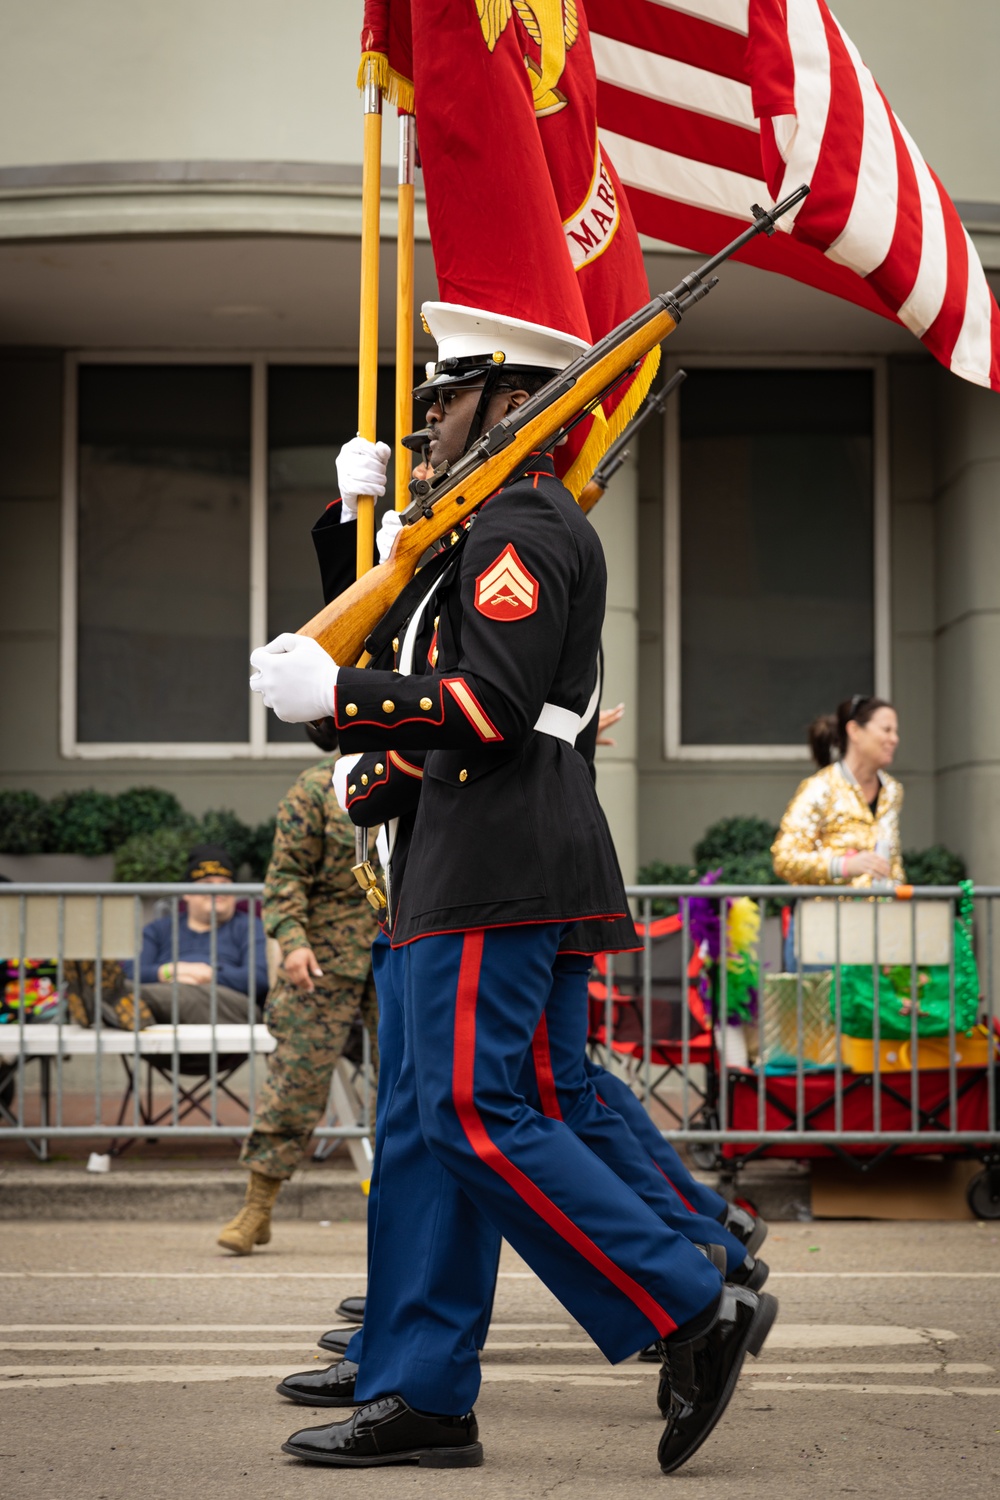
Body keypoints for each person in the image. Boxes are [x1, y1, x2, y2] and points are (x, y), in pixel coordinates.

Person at [250, 303, 776, 1475]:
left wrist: (338, 700)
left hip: (495, 862)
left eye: (446, 400)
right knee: (441, 1132)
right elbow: (402, 628)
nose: (428, 421)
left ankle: (689, 1295)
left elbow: (480, 708)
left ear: (510, 403)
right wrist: (350, 540)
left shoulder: (524, 528)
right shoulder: (483, 531)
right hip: (461, 861)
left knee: (483, 1118)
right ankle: (423, 1390)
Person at [217, 722, 379, 1256]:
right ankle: (257, 1207)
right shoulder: (314, 789)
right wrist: (292, 942)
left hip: (397, 952)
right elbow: (285, 879)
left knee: (406, 1088)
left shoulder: (417, 776)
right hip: (323, 960)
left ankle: (402, 1217)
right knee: (295, 1083)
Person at [64, 844, 268, 1029]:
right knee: (143, 988)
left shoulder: (250, 927)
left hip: (229, 1009)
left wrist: (209, 974)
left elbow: (259, 979)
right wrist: (170, 971)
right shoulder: (159, 929)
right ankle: (111, 1002)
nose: (217, 890)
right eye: (207, 882)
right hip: (165, 1014)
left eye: (225, 883)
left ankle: (99, 999)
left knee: (181, 993)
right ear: (186, 893)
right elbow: (132, 971)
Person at [772, 696, 903, 969]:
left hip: (876, 934)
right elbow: (784, 858)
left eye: (896, 731)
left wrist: (900, 919)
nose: (894, 739)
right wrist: (843, 866)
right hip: (821, 933)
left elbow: (893, 863)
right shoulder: (820, 787)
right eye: (886, 730)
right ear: (855, 731)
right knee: (819, 1012)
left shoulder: (892, 791)